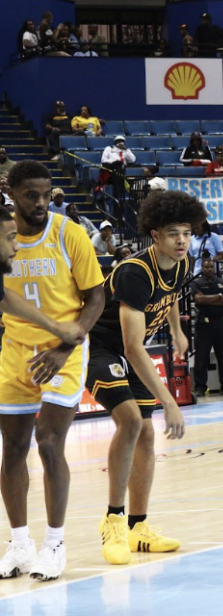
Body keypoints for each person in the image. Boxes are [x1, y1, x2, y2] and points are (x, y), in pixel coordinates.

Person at [86, 191, 207, 568]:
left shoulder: (183, 264)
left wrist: (176, 332)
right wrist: (170, 401)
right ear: (155, 235)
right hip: (97, 347)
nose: (182, 241)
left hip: (126, 350)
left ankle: (139, 528)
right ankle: (114, 521)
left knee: (147, 433)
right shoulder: (135, 272)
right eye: (173, 233)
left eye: (187, 233)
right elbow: (133, 347)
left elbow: (169, 296)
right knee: (131, 421)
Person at [0, 163, 105, 582]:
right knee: (12, 449)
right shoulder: (4, 235)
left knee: (48, 441)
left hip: (65, 349)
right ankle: (20, 542)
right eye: (31, 195)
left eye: (45, 194)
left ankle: (55, 543)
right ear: (12, 193)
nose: (41, 203)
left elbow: (96, 296)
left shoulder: (67, 233)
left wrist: (67, 343)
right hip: (14, 350)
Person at [190, 257, 223, 396]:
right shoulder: (197, 283)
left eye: (211, 267)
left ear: (214, 268)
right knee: (201, 358)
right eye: (206, 267)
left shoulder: (222, 282)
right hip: (204, 324)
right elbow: (199, 299)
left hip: (221, 323)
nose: (209, 269)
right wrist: (219, 297)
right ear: (202, 268)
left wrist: (208, 300)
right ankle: (200, 387)